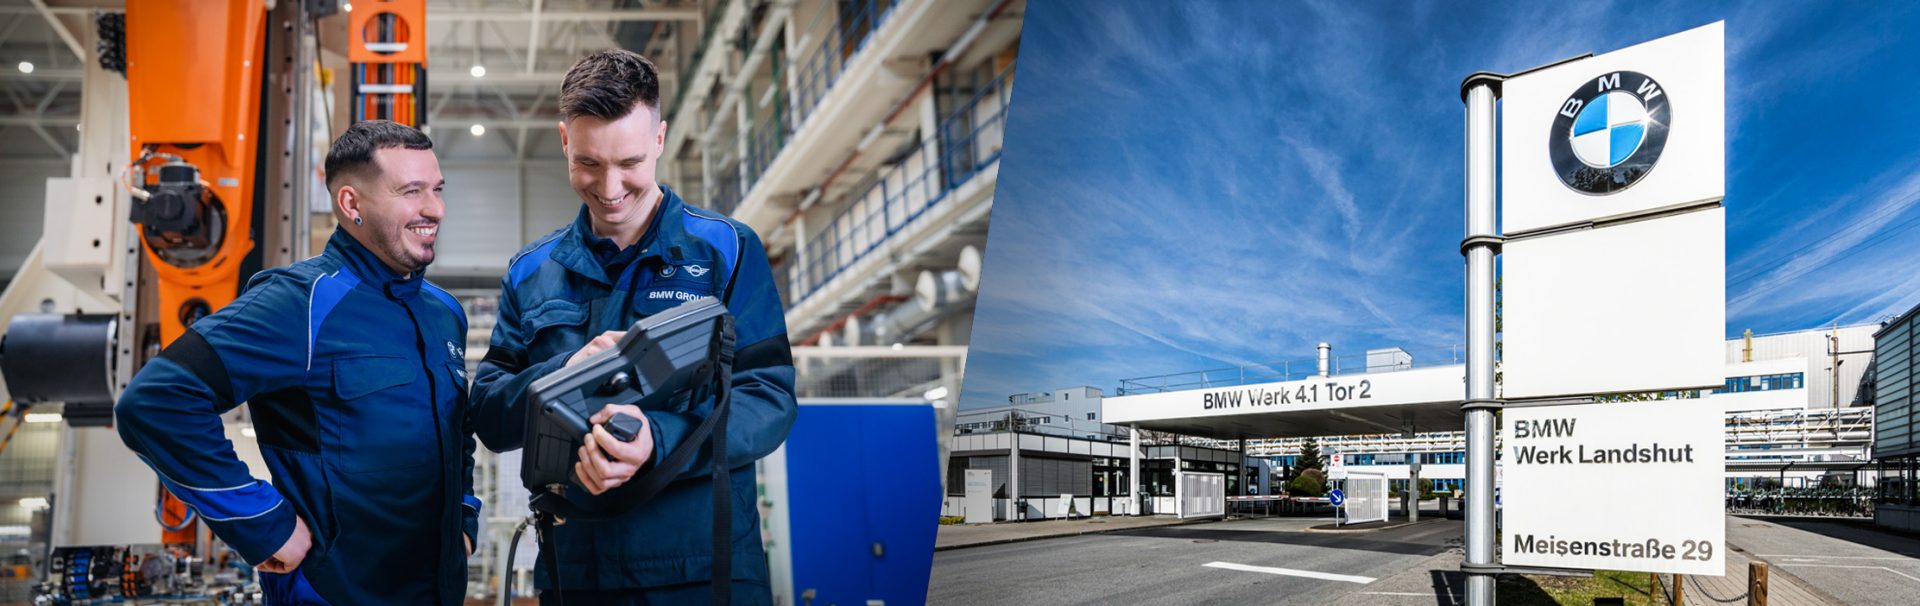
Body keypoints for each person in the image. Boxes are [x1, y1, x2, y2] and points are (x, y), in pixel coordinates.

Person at [470, 48, 797, 605]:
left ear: (661, 139)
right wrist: (564, 372)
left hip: (701, 570)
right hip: (575, 572)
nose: (611, 186)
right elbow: (490, 414)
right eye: (590, 163)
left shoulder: (725, 250)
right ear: (565, 141)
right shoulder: (531, 274)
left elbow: (767, 397)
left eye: (630, 163)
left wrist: (658, 442)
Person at [116, 120, 478, 605]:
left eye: (436, 189)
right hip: (334, 592)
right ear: (351, 204)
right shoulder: (299, 304)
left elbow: (458, 431)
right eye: (411, 192)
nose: (434, 209)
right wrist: (262, 524)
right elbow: (155, 402)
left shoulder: (444, 313)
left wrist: (465, 514)